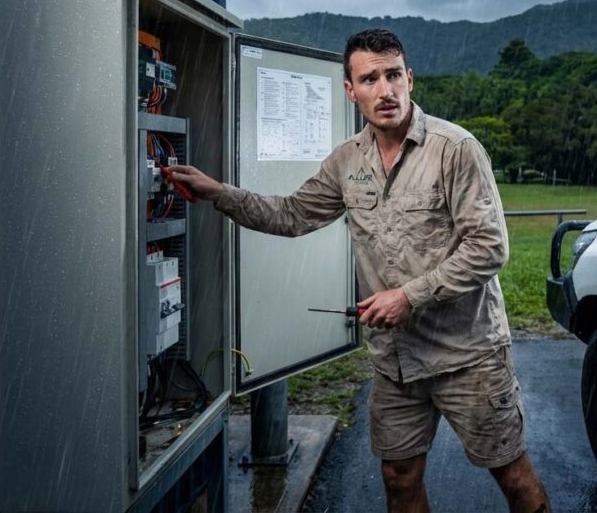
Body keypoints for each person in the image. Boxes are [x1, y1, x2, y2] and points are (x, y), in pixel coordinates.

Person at [170, 29, 550, 513]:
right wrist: (218, 192)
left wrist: (408, 296)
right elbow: (291, 215)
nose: (385, 90)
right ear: (351, 91)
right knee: (398, 478)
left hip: (467, 354)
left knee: (512, 476)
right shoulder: (347, 161)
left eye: (393, 75)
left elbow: (489, 247)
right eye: (370, 79)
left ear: (410, 79)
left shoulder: (455, 148)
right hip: (396, 362)